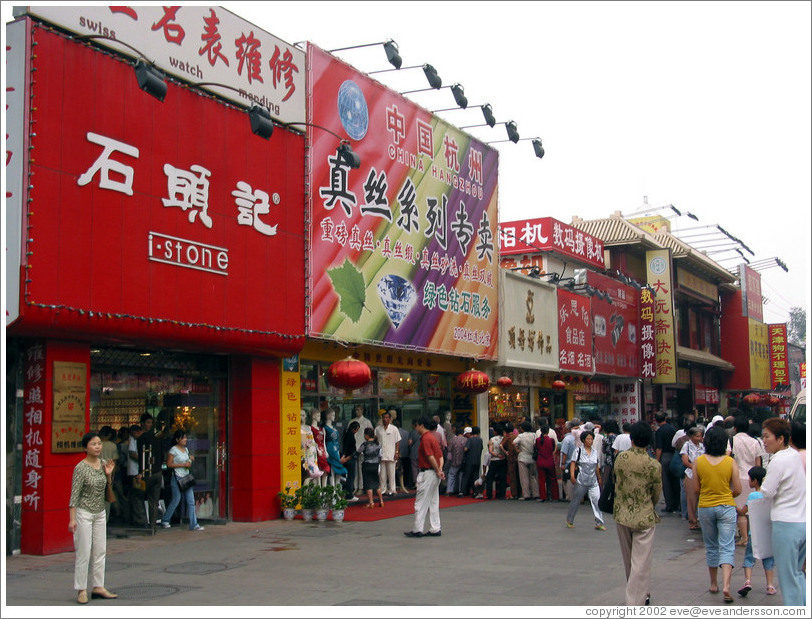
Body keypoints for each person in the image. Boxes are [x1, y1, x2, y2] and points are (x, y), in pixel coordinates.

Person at [613, 421, 662, 606]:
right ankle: (634, 602)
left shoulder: (621, 459)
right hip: (644, 516)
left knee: (629, 561)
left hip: (622, 514)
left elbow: (616, 482)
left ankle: (637, 595)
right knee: (640, 563)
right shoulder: (653, 465)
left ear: (631, 439)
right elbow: (656, 493)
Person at [692, 424, 742, 603]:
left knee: (711, 546)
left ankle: (713, 583)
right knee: (727, 546)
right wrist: (727, 494)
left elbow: (696, 489)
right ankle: (727, 585)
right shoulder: (730, 462)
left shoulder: (699, 461)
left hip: (705, 507)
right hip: (726, 506)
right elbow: (738, 488)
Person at [759, 417, 806, 606]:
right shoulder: (794, 455)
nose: (764, 440)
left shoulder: (778, 461)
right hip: (802, 522)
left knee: (787, 576)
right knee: (797, 573)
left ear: (780, 439)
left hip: (785, 524)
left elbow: (767, 492)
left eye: (767, 436)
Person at [68, 432, 118, 604]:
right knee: (84, 551)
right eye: (93, 444)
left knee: (100, 550)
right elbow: (74, 495)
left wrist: (109, 474)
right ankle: (81, 589)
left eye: (99, 443)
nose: (97, 446)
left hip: (100, 512)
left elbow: (107, 490)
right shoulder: (80, 468)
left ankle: (98, 586)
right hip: (84, 513)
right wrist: (72, 519)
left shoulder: (104, 463)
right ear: (85, 448)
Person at [736, 466, 776, 598]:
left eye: (749, 478)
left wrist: (733, 503)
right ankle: (770, 585)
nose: (748, 481)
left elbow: (742, 512)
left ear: (754, 481)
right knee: (769, 559)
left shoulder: (753, 495)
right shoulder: (770, 495)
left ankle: (747, 581)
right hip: (769, 532)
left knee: (749, 557)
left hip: (754, 534)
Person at [404, 416, 445, 537]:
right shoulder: (432, 438)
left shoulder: (426, 439)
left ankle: (417, 529)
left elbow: (429, 456)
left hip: (427, 473)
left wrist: (437, 470)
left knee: (421, 503)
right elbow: (440, 456)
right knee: (433, 502)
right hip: (433, 473)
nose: (415, 428)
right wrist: (439, 469)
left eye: (416, 425)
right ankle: (435, 528)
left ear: (421, 425)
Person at [160, 429, 204, 531]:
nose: (185, 439)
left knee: (191, 501)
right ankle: (165, 519)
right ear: (177, 439)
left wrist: (189, 460)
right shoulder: (173, 450)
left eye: (185, 437)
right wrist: (182, 464)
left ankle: (194, 524)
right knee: (176, 500)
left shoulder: (186, 450)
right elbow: (169, 464)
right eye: (183, 438)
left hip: (186, 477)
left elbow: (188, 465)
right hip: (177, 477)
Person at [730, 415, 762, 547]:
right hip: (752, 478)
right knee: (750, 509)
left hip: (737, 477)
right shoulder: (755, 442)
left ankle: (744, 537)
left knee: (740, 511)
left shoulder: (732, 441)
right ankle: (752, 535)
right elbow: (758, 462)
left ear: (735, 428)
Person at [566, 430, 606, 530]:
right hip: (581, 481)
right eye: (588, 439)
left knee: (597, 500)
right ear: (583, 440)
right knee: (576, 501)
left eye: (591, 439)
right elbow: (573, 463)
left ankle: (599, 523)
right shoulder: (578, 451)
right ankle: (570, 520)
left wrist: (599, 477)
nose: (590, 441)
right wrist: (572, 475)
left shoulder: (595, 452)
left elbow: (596, 465)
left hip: (593, 481)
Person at [135, 413, 166, 533]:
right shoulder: (158, 438)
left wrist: (140, 472)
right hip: (158, 472)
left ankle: (142, 522)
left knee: (137, 496)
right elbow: (161, 455)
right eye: (148, 422)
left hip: (146, 473)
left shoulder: (141, 439)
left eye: (150, 422)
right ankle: (153, 526)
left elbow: (142, 457)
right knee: (154, 500)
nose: (149, 424)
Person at [680, 426, 705, 530]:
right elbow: (685, 461)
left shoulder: (703, 446)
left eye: (701, 436)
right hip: (691, 474)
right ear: (691, 436)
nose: (699, 438)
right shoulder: (687, 446)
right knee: (691, 499)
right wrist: (694, 468)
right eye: (697, 436)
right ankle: (692, 521)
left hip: (702, 474)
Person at [654, 412, 679, 514]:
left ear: (656, 420)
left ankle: (670, 505)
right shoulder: (672, 429)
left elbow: (659, 448)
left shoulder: (659, 431)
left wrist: (657, 460)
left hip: (664, 457)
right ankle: (677, 503)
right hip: (673, 456)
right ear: (665, 418)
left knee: (666, 483)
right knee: (675, 481)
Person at [375, 410, 400, 495]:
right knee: (382, 474)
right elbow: (375, 440)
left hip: (391, 454)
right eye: (384, 418)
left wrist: (397, 452)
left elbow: (397, 442)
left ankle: (392, 490)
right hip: (381, 454)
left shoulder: (394, 429)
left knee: (391, 474)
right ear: (382, 419)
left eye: (387, 418)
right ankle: (383, 490)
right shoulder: (378, 429)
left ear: (389, 419)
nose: (385, 419)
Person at [357, 427, 384, 508]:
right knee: (376, 483)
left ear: (366, 435)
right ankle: (381, 501)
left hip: (367, 464)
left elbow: (358, 451)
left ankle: (371, 502)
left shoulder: (365, 444)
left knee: (368, 484)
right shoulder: (378, 444)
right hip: (375, 465)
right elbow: (380, 455)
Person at [514, 421, 539, 500]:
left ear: (522, 428)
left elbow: (514, 442)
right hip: (532, 457)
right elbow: (536, 443)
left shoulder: (521, 436)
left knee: (524, 477)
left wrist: (517, 449)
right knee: (533, 476)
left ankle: (526, 494)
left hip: (523, 457)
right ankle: (535, 493)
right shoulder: (534, 435)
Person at [535, 419, 559, 501]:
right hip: (549, 461)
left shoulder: (538, 440)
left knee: (541, 480)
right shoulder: (551, 440)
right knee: (553, 479)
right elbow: (554, 447)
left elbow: (536, 448)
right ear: (548, 431)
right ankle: (555, 496)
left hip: (540, 461)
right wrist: (553, 454)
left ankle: (543, 496)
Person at [351, 406, 373, 493]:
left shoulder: (367, 422)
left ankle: (361, 487)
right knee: (354, 469)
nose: (357, 411)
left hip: (363, 447)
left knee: (361, 468)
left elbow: (371, 434)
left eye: (359, 409)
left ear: (362, 410)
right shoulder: (352, 421)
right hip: (354, 447)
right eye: (356, 409)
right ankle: (355, 487)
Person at [323, 408, 347, 484]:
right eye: (333, 415)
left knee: (338, 469)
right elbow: (323, 440)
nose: (334, 416)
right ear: (328, 416)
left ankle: (337, 488)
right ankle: (333, 490)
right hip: (330, 448)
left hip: (336, 449)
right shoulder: (325, 428)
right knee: (333, 468)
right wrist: (325, 451)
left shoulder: (334, 427)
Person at [483, 422, 507, 499]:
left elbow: (490, 451)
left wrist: (496, 455)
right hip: (503, 459)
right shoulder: (504, 439)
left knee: (490, 477)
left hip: (494, 460)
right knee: (502, 477)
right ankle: (501, 494)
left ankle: (489, 494)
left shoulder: (492, 440)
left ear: (495, 431)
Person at [340, 421, 361, 502]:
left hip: (347, 456)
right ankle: (349, 494)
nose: (357, 431)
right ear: (354, 429)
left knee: (346, 477)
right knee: (351, 477)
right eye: (356, 429)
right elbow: (349, 449)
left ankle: (346, 493)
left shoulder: (346, 434)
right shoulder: (350, 435)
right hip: (349, 457)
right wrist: (345, 457)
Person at [459, 426, 483, 497]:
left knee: (466, 476)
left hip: (469, 461)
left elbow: (466, 449)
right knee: (475, 476)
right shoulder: (480, 440)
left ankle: (462, 492)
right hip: (477, 460)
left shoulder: (470, 440)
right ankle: (475, 491)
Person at [300, 409, 323, 481]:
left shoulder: (308, 427)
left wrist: (317, 449)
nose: (303, 417)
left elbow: (312, 440)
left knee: (314, 475)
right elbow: (303, 443)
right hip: (305, 454)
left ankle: (312, 491)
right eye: (301, 415)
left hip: (312, 453)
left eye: (304, 415)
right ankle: (306, 491)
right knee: (308, 475)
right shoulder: (298, 428)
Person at [310, 408, 330, 486]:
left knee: (326, 469)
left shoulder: (322, 429)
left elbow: (323, 441)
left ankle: (324, 488)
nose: (319, 417)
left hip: (323, 451)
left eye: (320, 415)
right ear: (313, 416)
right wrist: (317, 449)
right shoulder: (311, 428)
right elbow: (312, 441)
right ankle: (319, 489)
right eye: (318, 415)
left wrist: (326, 451)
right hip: (316, 451)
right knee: (318, 469)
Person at [445, 425, 467, 495]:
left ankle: (449, 490)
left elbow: (449, 449)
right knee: (461, 475)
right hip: (463, 460)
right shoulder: (465, 440)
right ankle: (461, 490)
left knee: (451, 475)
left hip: (454, 460)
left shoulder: (453, 440)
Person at [500, 421, 519, 499]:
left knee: (512, 476)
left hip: (511, 458)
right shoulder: (516, 436)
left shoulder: (507, 437)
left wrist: (505, 452)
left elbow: (501, 445)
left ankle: (513, 493)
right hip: (518, 457)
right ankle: (520, 492)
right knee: (518, 476)